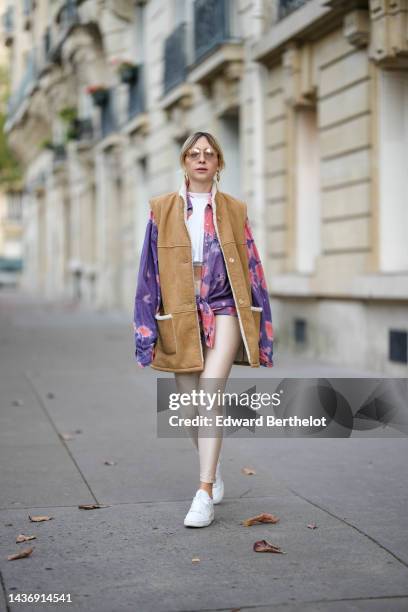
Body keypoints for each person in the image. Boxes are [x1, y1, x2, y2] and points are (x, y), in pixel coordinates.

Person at [133, 131, 274, 528]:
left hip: (223, 306)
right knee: (189, 405)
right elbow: (148, 273)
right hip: (179, 313)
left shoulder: (233, 208)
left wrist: (261, 326)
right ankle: (212, 464)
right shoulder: (161, 209)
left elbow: (252, 266)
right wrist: (145, 332)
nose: (201, 159)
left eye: (209, 154)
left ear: (219, 164)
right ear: (184, 162)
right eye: (194, 154)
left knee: (210, 391)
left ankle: (204, 490)